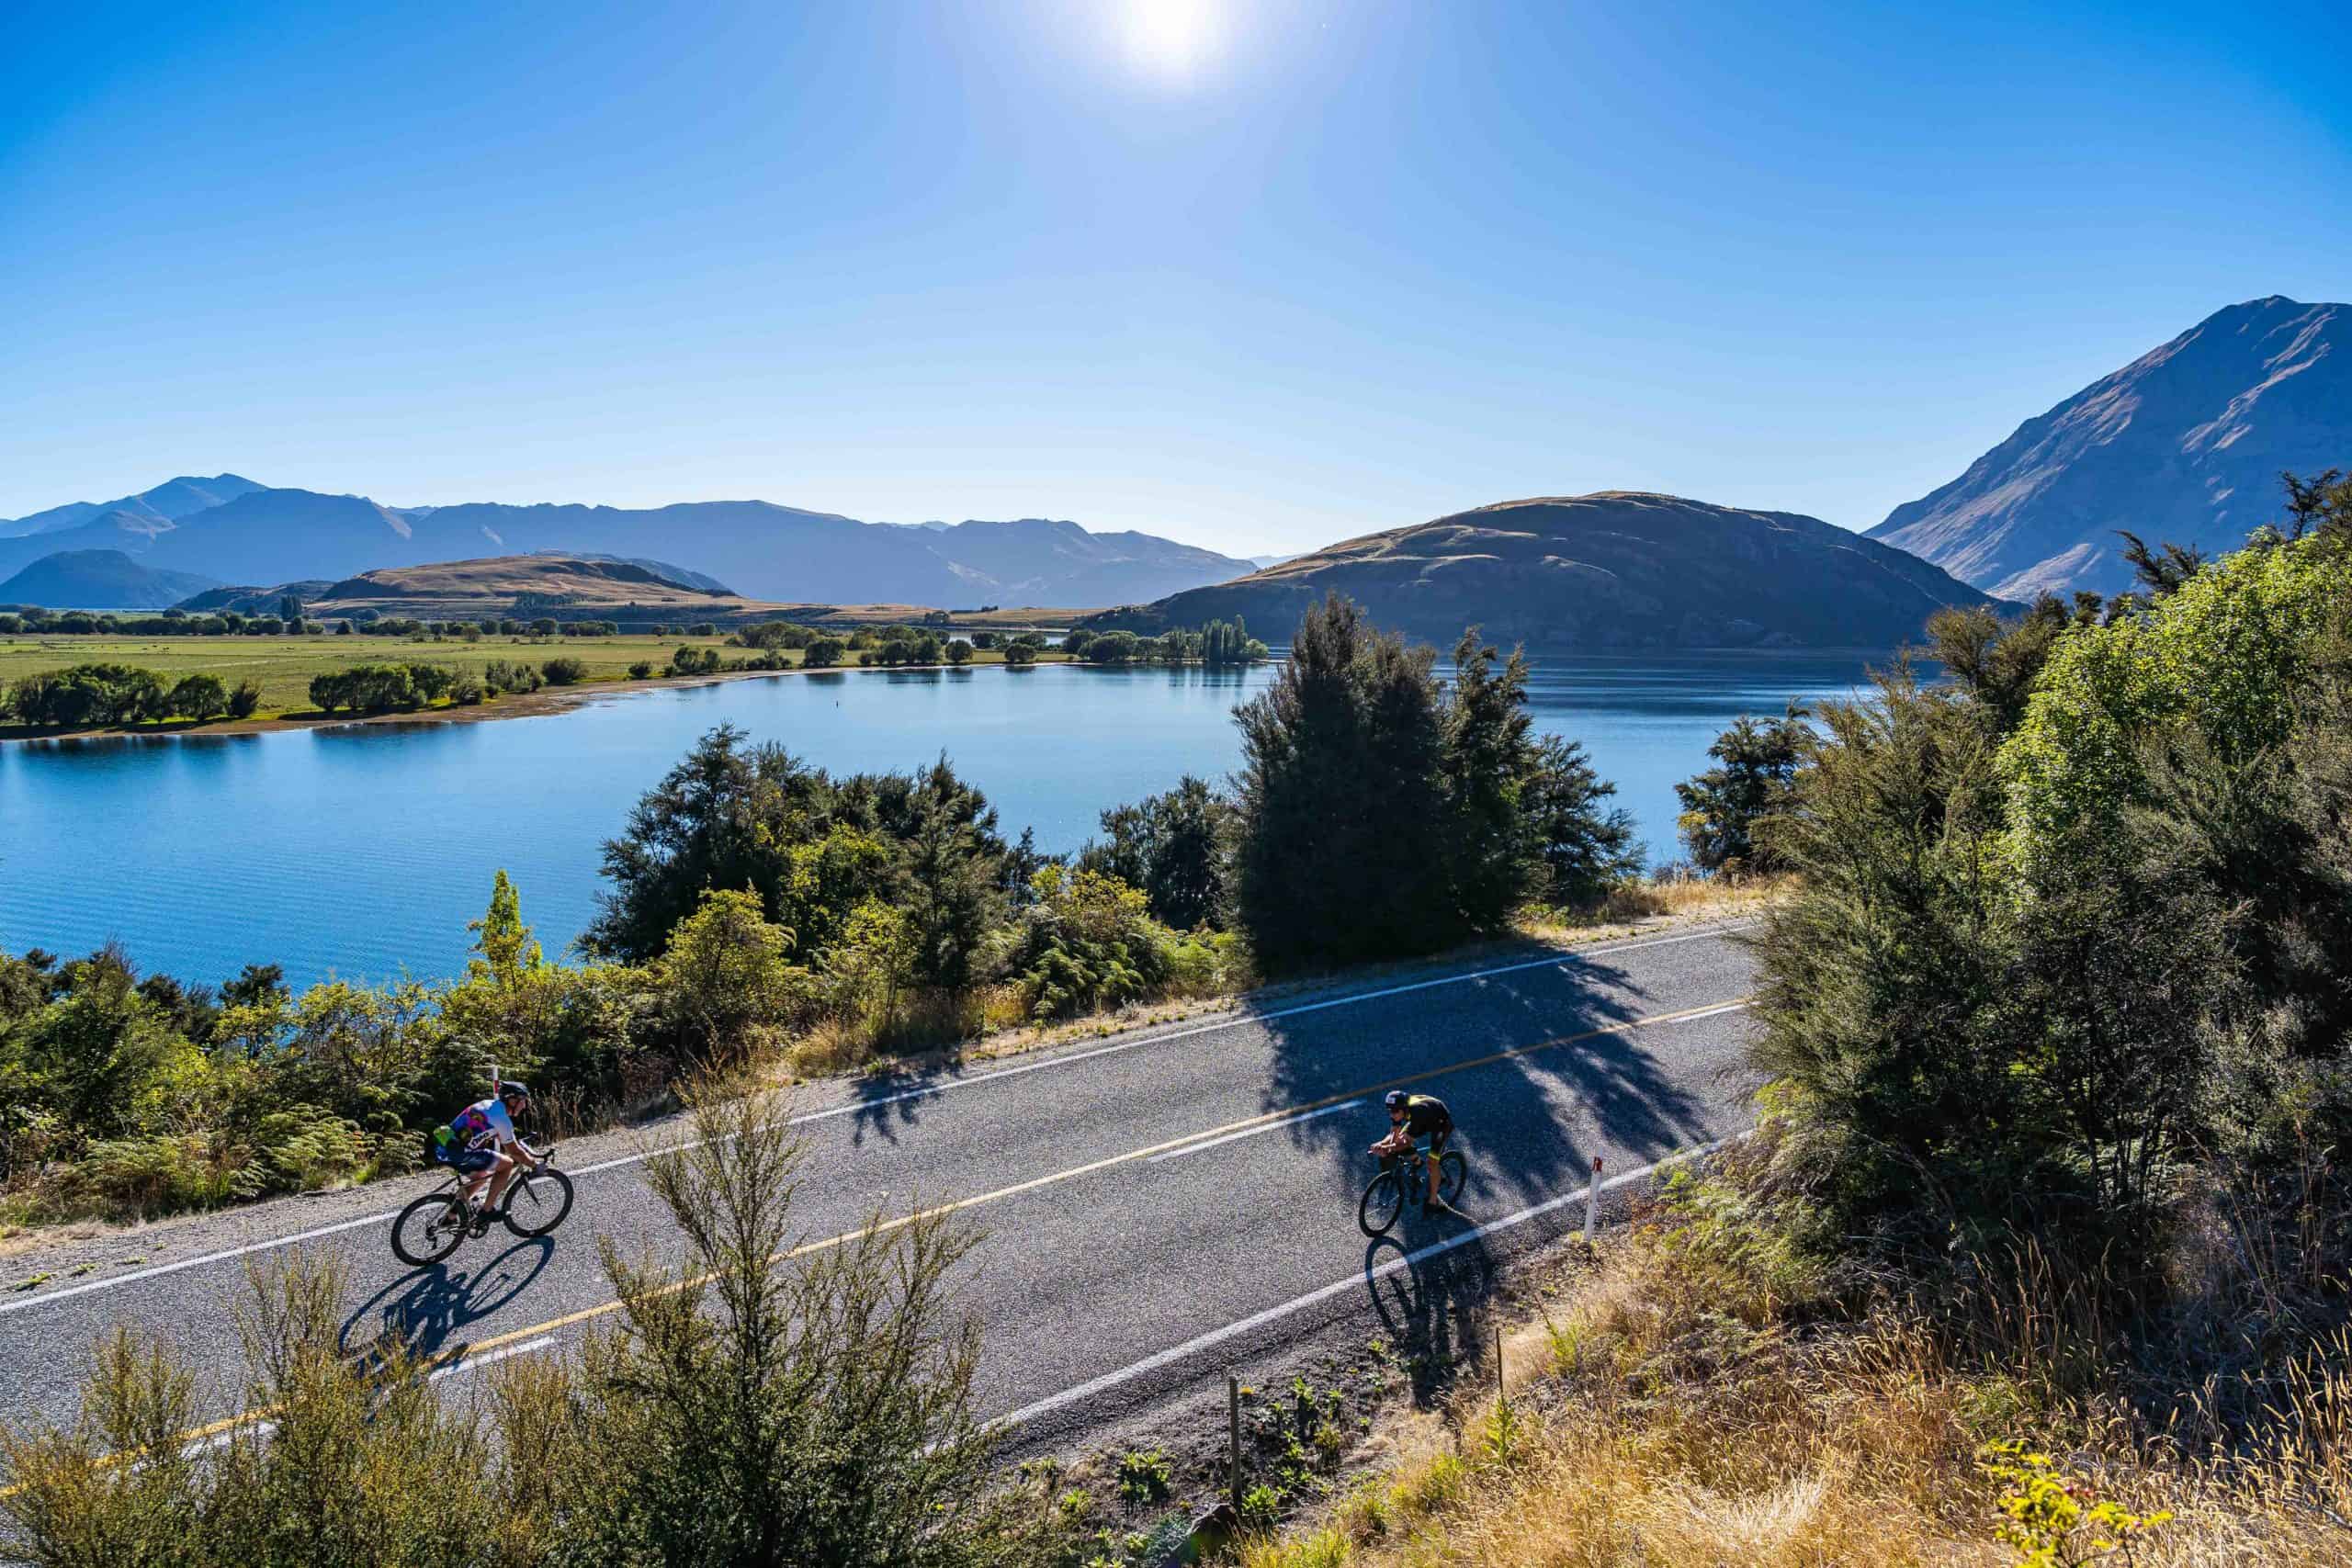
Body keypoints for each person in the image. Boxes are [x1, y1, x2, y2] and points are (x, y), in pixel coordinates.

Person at [433, 1078, 536, 1233]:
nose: (525, 1106)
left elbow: (504, 1139)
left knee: (481, 1176)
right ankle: (486, 1211)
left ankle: (451, 1216)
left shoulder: (487, 1105)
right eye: (523, 1101)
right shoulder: (502, 1119)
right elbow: (513, 1152)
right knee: (506, 1164)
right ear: (512, 1100)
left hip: (444, 1146)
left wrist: (520, 1148)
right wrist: (535, 1164)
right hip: (460, 1153)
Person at [1369, 1089, 1453, 1212]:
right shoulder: (1399, 1110)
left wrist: (1388, 1148)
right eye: (1389, 1111)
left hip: (1441, 1123)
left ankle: (1433, 1201)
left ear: (1404, 1109)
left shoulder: (1417, 1112)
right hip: (1422, 1118)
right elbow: (1394, 1133)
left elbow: (1406, 1142)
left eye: (1394, 1111)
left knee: (1432, 1162)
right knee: (1397, 1143)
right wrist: (1381, 1144)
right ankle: (1418, 1163)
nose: (1391, 1114)